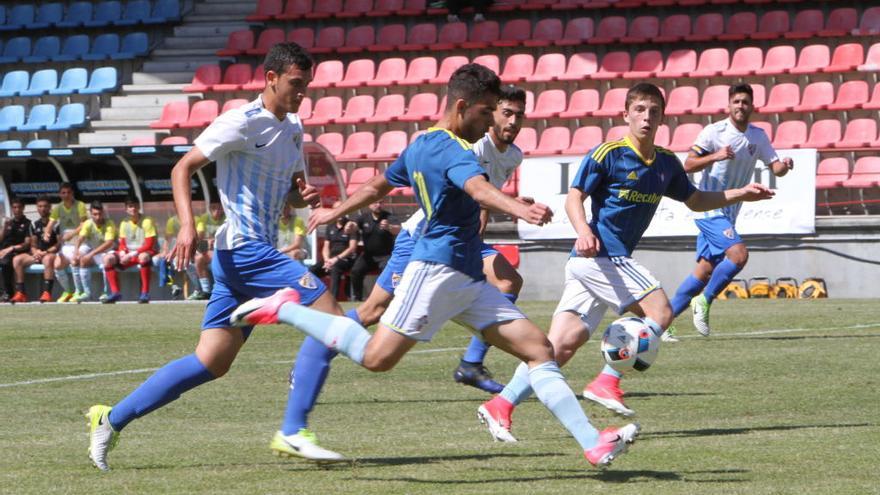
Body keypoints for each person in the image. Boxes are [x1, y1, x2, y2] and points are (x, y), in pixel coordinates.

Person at [231, 64, 641, 468]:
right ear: (462, 106)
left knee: (539, 349)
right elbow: (476, 187)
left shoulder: (421, 143)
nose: (489, 123)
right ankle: (283, 308)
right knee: (377, 358)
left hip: (465, 275)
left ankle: (593, 443)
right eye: (485, 113)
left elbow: (378, 184)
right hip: (437, 271)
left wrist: (338, 206)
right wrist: (518, 207)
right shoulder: (453, 149)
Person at [85, 42, 350, 471]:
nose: (302, 93)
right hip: (247, 249)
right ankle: (294, 428)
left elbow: (291, 180)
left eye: (307, 86)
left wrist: (302, 192)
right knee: (334, 320)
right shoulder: (240, 122)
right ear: (271, 78)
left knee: (211, 362)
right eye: (296, 84)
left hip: (240, 258)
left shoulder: (294, 126)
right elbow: (182, 168)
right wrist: (188, 226)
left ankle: (109, 419)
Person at [477, 83, 774, 439]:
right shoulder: (608, 153)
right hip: (600, 255)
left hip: (597, 265)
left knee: (558, 348)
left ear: (662, 117)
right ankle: (607, 380)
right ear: (626, 114)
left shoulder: (665, 163)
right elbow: (575, 197)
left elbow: (694, 200)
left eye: (653, 111)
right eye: (639, 109)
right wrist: (584, 230)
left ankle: (501, 405)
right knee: (661, 311)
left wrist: (740, 193)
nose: (646, 116)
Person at [277, 85, 532, 453]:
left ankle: (471, 364)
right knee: (373, 311)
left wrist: (487, 220)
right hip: (425, 237)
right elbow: (459, 187)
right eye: (502, 112)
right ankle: (315, 353)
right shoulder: (469, 143)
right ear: (485, 113)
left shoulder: (513, 156)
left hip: (461, 241)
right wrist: (336, 211)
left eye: (516, 114)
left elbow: (482, 197)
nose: (509, 121)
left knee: (510, 279)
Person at [667, 83, 794, 339]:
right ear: (729, 105)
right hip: (707, 208)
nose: (740, 106)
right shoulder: (714, 132)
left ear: (752, 106)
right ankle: (703, 301)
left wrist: (786, 165)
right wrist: (715, 156)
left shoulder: (757, 136)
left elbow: (776, 167)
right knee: (738, 255)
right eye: (736, 101)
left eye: (745, 102)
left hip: (729, 212)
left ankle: (658, 323)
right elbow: (688, 165)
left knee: (703, 272)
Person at [102, 197, 158, 304]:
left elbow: (150, 244)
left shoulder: (147, 221)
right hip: (130, 254)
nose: (133, 209)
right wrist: (122, 252)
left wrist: (132, 254)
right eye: (130, 206)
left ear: (139, 207)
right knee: (107, 259)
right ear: (126, 209)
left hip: (145, 251)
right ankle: (115, 293)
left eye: (135, 206)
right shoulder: (124, 222)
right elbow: (122, 242)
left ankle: (145, 293)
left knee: (143, 257)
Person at [12, 196, 60, 303]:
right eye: (40, 206)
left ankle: (47, 293)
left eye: (45, 206)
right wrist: (36, 252)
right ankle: (20, 293)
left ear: (50, 207)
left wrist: (45, 252)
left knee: (47, 259)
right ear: (37, 208)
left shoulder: (55, 224)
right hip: (38, 254)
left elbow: (58, 245)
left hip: (51, 254)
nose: (42, 209)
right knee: (17, 259)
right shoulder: (34, 224)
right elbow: (33, 244)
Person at [308, 201, 358, 300]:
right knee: (312, 270)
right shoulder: (330, 226)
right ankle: (313, 298)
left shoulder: (350, 226)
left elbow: (352, 248)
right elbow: (326, 246)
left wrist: (335, 259)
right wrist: (327, 259)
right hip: (330, 260)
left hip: (345, 259)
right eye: (336, 209)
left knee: (335, 268)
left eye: (341, 209)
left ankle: (333, 299)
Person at [349, 202, 398, 301]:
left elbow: (399, 230)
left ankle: (384, 299)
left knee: (387, 273)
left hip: (386, 255)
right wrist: (350, 226)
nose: (378, 205)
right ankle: (357, 298)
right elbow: (354, 226)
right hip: (368, 256)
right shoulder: (364, 217)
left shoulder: (389, 217)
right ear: (369, 205)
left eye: (380, 202)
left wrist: (389, 227)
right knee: (355, 271)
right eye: (375, 202)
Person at [48, 183, 88, 302]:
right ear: (60, 194)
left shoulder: (80, 205)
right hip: (67, 245)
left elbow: (83, 224)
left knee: (74, 261)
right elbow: (51, 223)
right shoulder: (58, 208)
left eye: (68, 192)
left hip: (81, 244)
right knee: (57, 265)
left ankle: (79, 291)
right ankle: (68, 291)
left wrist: (72, 233)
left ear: (72, 193)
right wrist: (47, 232)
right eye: (63, 193)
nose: (66, 195)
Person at [73, 201, 117, 302]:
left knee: (107, 261)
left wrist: (90, 254)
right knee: (78, 259)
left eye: (100, 214)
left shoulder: (109, 223)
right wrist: (76, 252)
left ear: (103, 213)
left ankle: (107, 292)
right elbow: (80, 239)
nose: (97, 217)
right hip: (95, 252)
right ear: (90, 214)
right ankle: (85, 292)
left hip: (108, 252)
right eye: (95, 214)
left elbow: (108, 243)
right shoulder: (88, 223)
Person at [188, 200, 225, 300]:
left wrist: (215, 240)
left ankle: (221, 289)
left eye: (219, 208)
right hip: (210, 251)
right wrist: (208, 242)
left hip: (225, 249)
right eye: (213, 208)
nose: (216, 211)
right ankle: (205, 291)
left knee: (216, 260)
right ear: (209, 209)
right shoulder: (204, 219)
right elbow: (199, 239)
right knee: (197, 259)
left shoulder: (228, 218)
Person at [0, 198, 32, 302]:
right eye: (14, 207)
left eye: (19, 207)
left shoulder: (28, 223)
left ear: (23, 208)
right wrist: (4, 227)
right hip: (4, 251)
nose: (17, 210)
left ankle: (8, 293)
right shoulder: (8, 223)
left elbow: (27, 244)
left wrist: (11, 248)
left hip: (17, 252)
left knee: (5, 261)